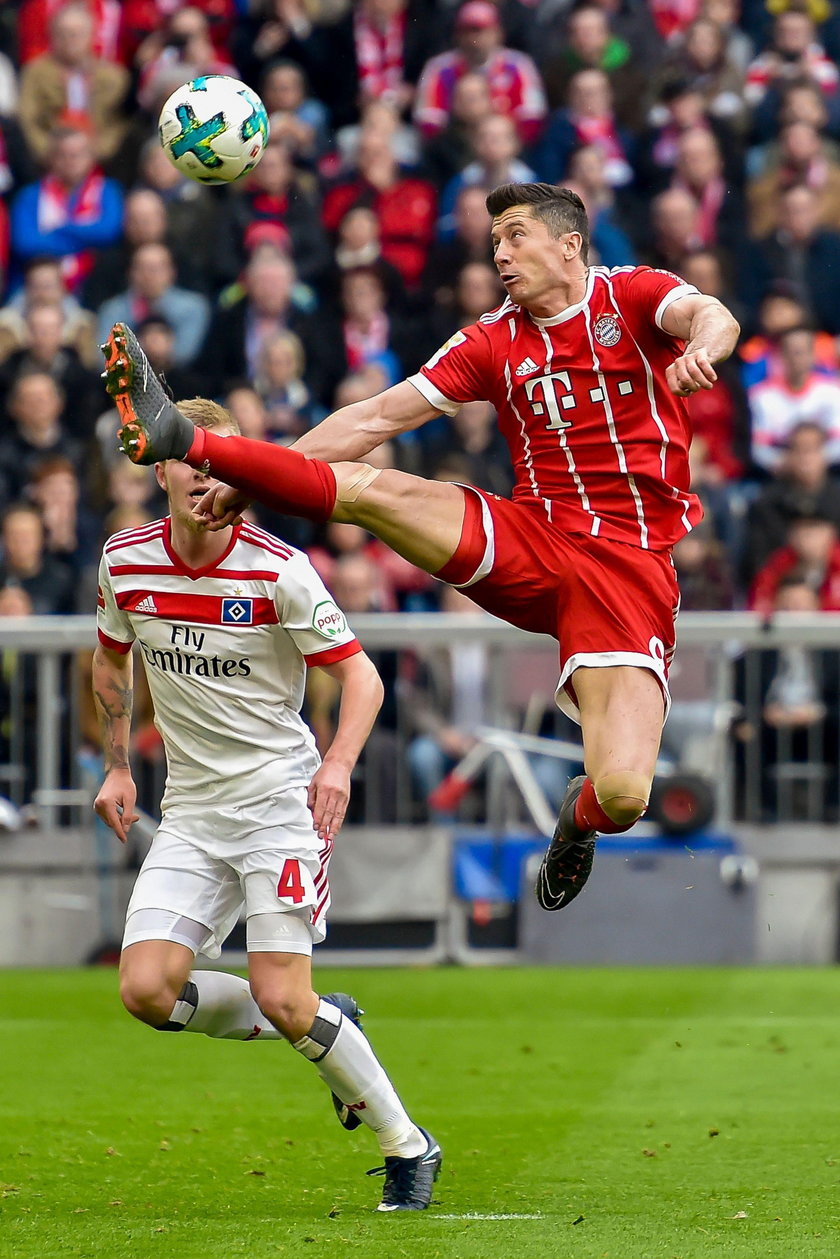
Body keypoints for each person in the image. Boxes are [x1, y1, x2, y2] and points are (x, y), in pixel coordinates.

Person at [102, 181, 741, 913]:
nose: (500, 252)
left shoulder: (630, 297)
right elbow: (373, 416)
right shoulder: (492, 339)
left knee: (624, 793)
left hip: (628, 575)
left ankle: (578, 817)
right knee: (371, 488)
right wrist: (249, 481)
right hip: (533, 539)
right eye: (494, 240)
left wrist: (703, 350)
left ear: (570, 244)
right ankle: (190, 438)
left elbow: (710, 314)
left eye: (516, 235)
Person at [91, 398, 442, 1212]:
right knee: (146, 989)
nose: (198, 474)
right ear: (162, 469)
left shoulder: (278, 566)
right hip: (192, 810)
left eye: (214, 460)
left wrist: (340, 765)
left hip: (280, 803)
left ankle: (408, 1145)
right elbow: (111, 663)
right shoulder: (124, 560)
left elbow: (363, 676)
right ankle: (327, 1020)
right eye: (184, 459)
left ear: (236, 468)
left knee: (286, 996)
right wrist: (118, 767)